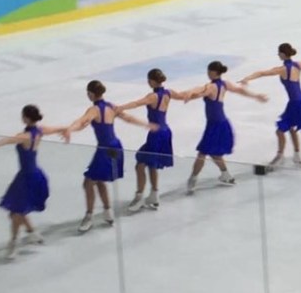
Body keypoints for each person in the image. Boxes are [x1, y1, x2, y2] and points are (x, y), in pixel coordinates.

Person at [66, 81, 154, 233]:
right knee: (98, 180)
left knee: (88, 183)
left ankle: (89, 216)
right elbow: (128, 118)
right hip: (115, 146)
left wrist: (69, 129)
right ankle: (107, 212)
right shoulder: (111, 106)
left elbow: (82, 121)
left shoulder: (94, 109)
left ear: (91, 94)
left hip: (105, 149)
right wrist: (145, 124)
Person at [0, 105, 66, 260]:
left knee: (16, 213)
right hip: (33, 174)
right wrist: (65, 130)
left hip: (27, 178)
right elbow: (57, 129)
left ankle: (14, 243)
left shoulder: (25, 136)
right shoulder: (40, 130)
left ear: (26, 118)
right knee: (16, 212)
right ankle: (32, 233)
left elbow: (8, 140)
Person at [184, 61, 268, 193]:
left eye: (209, 71)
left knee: (202, 153)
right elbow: (240, 90)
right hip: (221, 123)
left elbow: (201, 92)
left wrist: (190, 95)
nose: (207, 73)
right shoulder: (224, 84)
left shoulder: (211, 86)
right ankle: (226, 175)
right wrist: (256, 95)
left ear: (214, 72)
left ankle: (193, 179)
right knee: (214, 153)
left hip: (215, 125)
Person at [116, 69, 189, 212]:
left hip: (156, 134)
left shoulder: (153, 96)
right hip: (166, 132)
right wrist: (193, 94)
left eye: (149, 80)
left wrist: (120, 108)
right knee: (152, 164)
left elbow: (136, 103)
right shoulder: (169, 93)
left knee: (140, 165)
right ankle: (154, 195)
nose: (148, 82)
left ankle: (139, 197)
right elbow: (182, 96)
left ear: (153, 81)